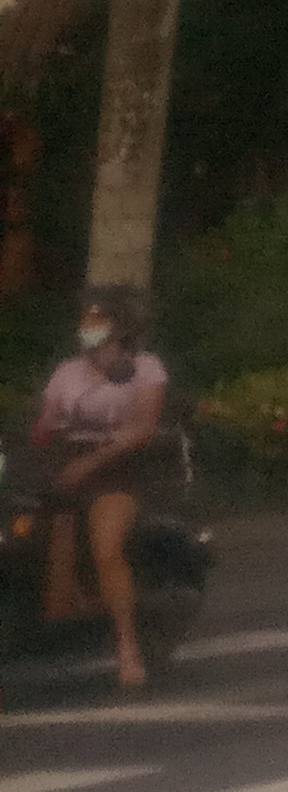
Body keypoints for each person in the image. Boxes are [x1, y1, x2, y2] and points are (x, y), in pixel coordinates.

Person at [30, 287, 173, 696]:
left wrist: (92, 462)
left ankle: (128, 647)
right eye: (86, 322)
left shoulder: (144, 367)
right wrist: (44, 428)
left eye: (98, 322)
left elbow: (144, 427)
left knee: (107, 548)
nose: (89, 330)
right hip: (68, 463)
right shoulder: (66, 372)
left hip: (118, 465)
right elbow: (44, 426)